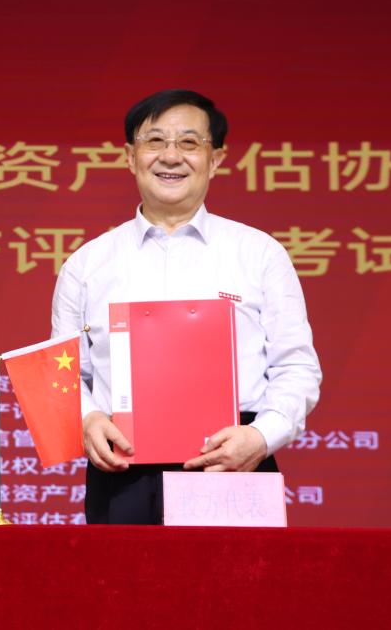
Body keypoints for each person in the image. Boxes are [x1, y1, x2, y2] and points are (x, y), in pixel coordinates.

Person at [51, 89, 321, 524]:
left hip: (234, 460)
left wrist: (260, 437)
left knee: (240, 572)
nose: (171, 156)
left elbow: (297, 367)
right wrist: (86, 419)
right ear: (130, 156)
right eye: (155, 141)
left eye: (189, 143)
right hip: (123, 467)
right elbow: (63, 375)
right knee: (120, 572)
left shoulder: (259, 254)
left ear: (215, 159)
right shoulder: (87, 265)